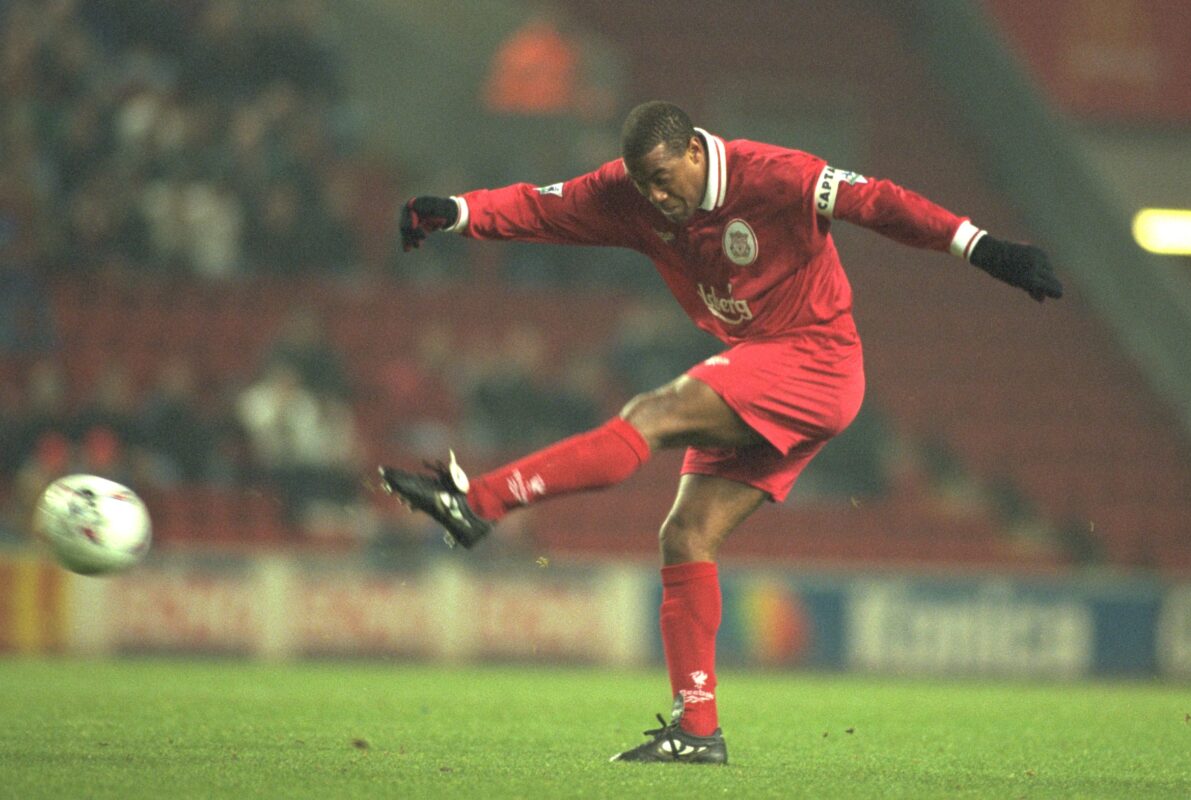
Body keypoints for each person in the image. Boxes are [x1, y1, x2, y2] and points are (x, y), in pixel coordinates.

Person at [380, 101, 1062, 765]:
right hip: (760, 367)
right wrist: (457, 213)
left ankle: (479, 502)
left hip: (814, 358)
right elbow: (539, 206)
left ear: (693, 151)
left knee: (652, 412)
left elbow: (879, 202)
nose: (654, 195)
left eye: (663, 178)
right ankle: (697, 729)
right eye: (642, 182)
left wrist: (984, 249)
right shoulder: (629, 194)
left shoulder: (773, 174)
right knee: (684, 536)